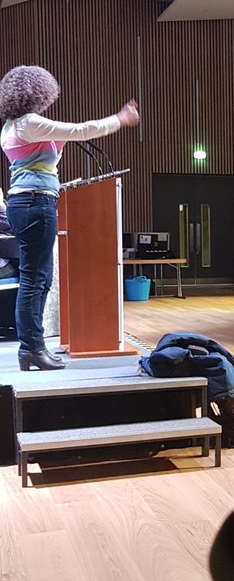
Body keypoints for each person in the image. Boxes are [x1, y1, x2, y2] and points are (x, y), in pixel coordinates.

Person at [0, 65, 139, 370]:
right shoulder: (29, 123)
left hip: (27, 202)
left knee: (39, 278)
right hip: (35, 202)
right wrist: (120, 119)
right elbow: (80, 130)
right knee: (35, 279)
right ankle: (31, 348)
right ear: (37, 93)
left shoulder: (11, 126)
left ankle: (33, 347)